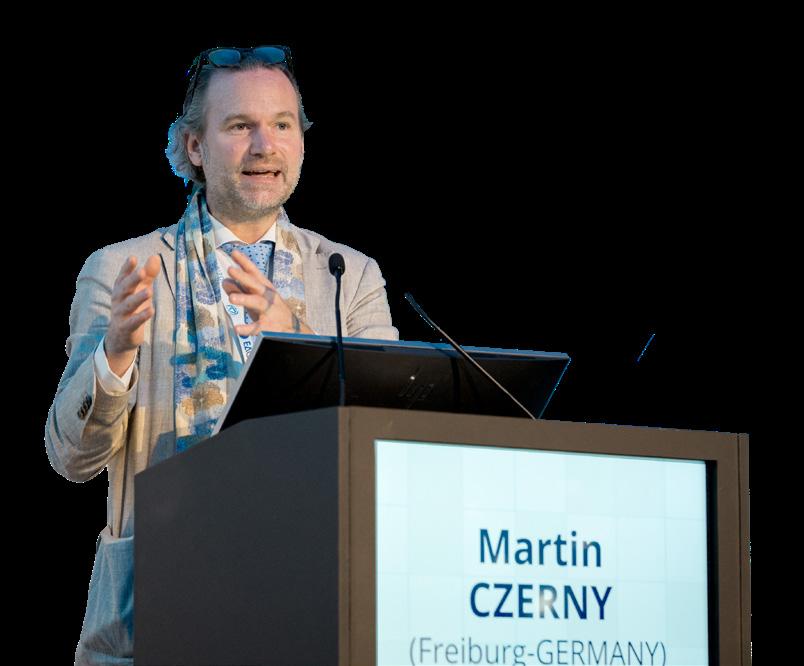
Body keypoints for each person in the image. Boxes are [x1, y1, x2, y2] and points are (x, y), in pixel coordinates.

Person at [44, 45, 399, 664]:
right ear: (194, 147)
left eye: (282, 124)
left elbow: (389, 440)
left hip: (315, 603)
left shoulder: (349, 275)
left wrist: (301, 339)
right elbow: (71, 457)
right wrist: (116, 355)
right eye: (240, 126)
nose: (265, 146)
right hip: (156, 612)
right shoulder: (124, 268)